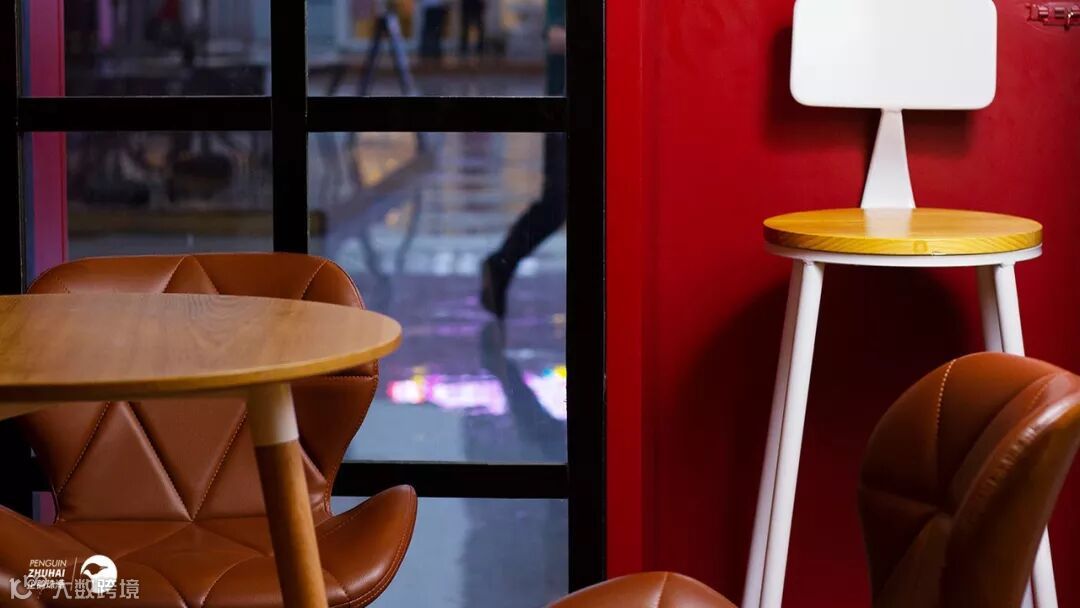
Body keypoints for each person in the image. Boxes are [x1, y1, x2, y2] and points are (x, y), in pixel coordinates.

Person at [480, 0, 566, 319]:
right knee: (557, 203)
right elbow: (556, 37)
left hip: (599, 110)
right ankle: (501, 263)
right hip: (563, 112)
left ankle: (501, 263)